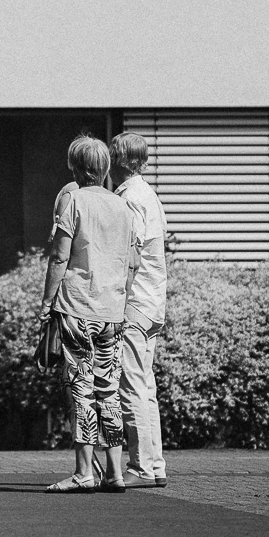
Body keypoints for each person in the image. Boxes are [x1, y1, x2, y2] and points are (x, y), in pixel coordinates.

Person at [41, 134, 140, 493]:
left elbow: (59, 257)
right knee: (108, 389)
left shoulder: (74, 200)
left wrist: (46, 303)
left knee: (81, 390)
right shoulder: (123, 207)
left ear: (76, 167)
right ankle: (114, 472)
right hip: (112, 311)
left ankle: (84, 474)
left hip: (78, 307)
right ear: (105, 168)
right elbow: (131, 263)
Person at [113, 131, 169, 488]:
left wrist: (116, 300)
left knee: (131, 383)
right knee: (145, 386)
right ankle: (155, 465)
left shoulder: (130, 198)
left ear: (119, 161)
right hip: (153, 301)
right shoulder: (149, 194)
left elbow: (130, 255)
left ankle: (140, 467)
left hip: (134, 302)